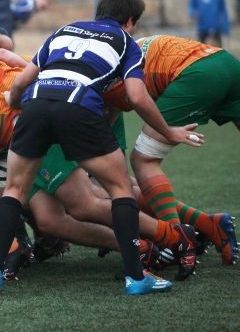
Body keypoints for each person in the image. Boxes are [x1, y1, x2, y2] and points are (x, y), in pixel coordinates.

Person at [0, 0, 204, 296]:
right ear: (130, 21)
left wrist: (16, 101)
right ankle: (137, 278)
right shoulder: (125, 41)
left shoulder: (63, 31)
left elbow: (20, 83)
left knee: (13, 190)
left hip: (36, 104)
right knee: (120, 189)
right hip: (78, 106)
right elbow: (137, 96)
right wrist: (168, 131)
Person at [103, 34, 240, 264]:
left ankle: (178, 241)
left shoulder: (98, 78)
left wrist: (167, 131)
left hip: (196, 74)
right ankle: (208, 225)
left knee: (143, 160)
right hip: (224, 60)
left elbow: (131, 100)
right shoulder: (118, 49)